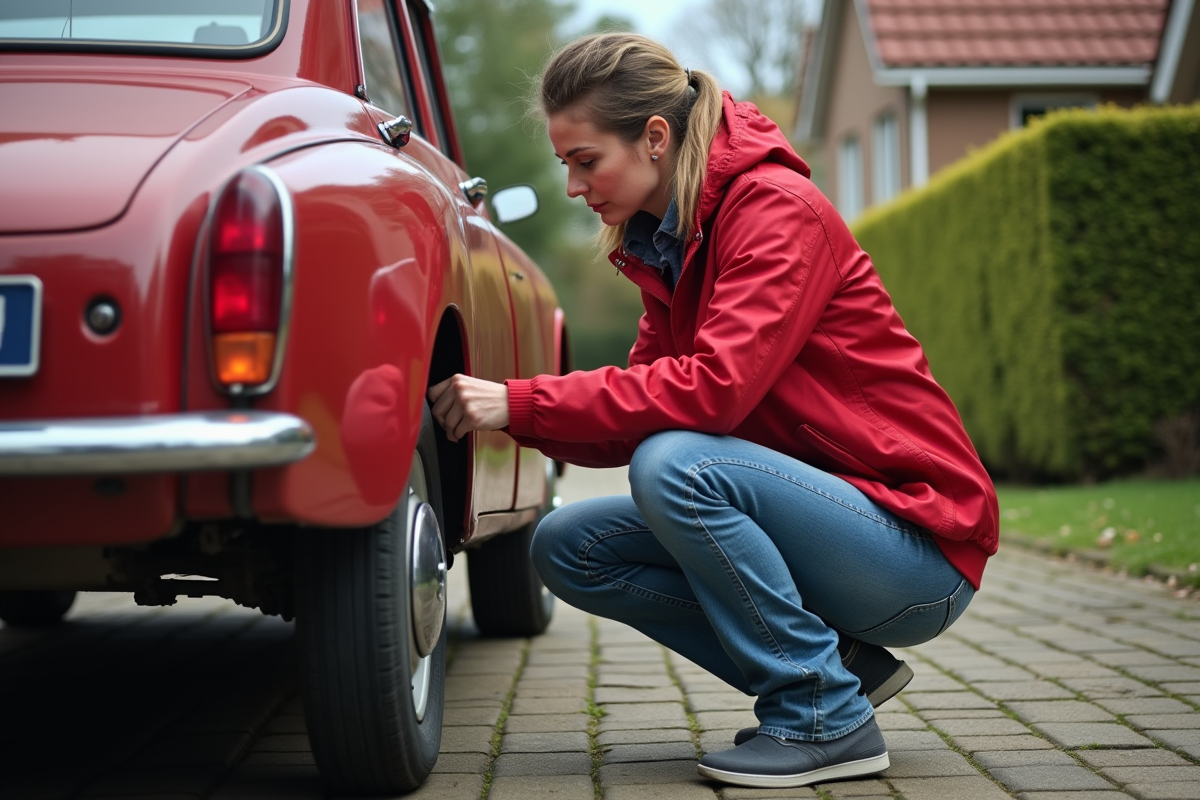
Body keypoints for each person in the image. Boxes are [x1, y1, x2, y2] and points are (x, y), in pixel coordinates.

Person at [427, 32, 998, 790]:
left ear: (655, 138)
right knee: (568, 545)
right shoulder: (671, 246)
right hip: (830, 525)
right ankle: (842, 670)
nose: (572, 185)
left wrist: (520, 400)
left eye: (585, 160)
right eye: (565, 163)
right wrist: (522, 414)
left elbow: (711, 390)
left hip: (918, 546)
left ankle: (823, 714)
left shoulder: (775, 211)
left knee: (678, 467)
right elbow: (640, 408)